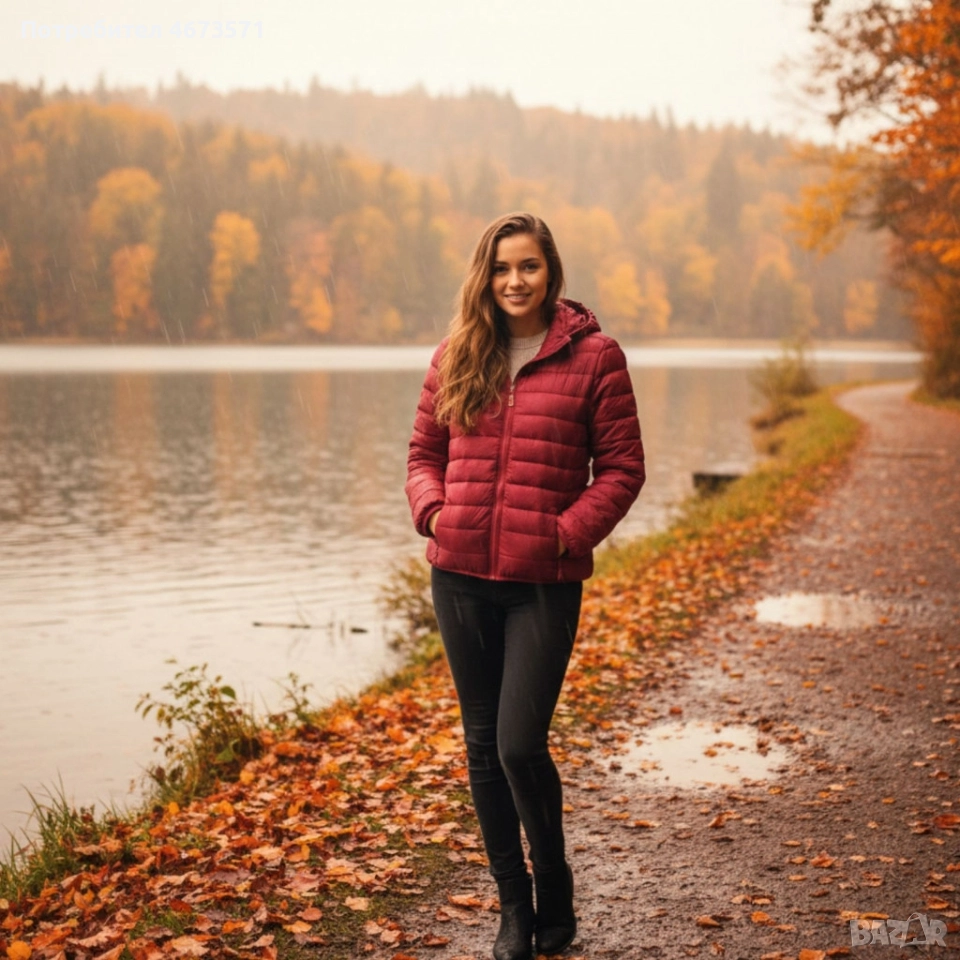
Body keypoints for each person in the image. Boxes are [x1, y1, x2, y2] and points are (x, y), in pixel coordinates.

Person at [405, 212, 645, 960]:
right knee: (481, 747)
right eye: (503, 268)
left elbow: (623, 472)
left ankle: (555, 881)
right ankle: (514, 907)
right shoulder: (457, 356)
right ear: (487, 275)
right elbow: (421, 454)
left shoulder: (595, 358)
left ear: (552, 273)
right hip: (460, 578)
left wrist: (566, 534)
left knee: (517, 744)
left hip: (542, 581)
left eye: (529, 267)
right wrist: (434, 513)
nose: (515, 281)